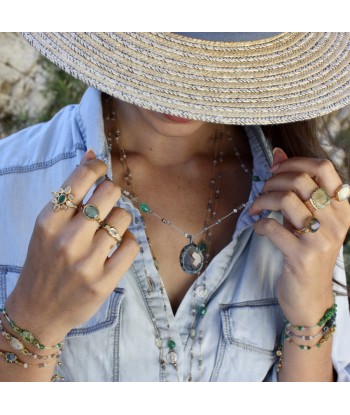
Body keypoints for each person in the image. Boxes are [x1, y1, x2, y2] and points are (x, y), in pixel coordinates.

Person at [0, 32, 349, 382]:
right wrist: (31, 322)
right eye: (168, 46)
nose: (184, 88)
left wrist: (312, 316)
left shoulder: (305, 213)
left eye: (210, 50)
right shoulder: (9, 181)